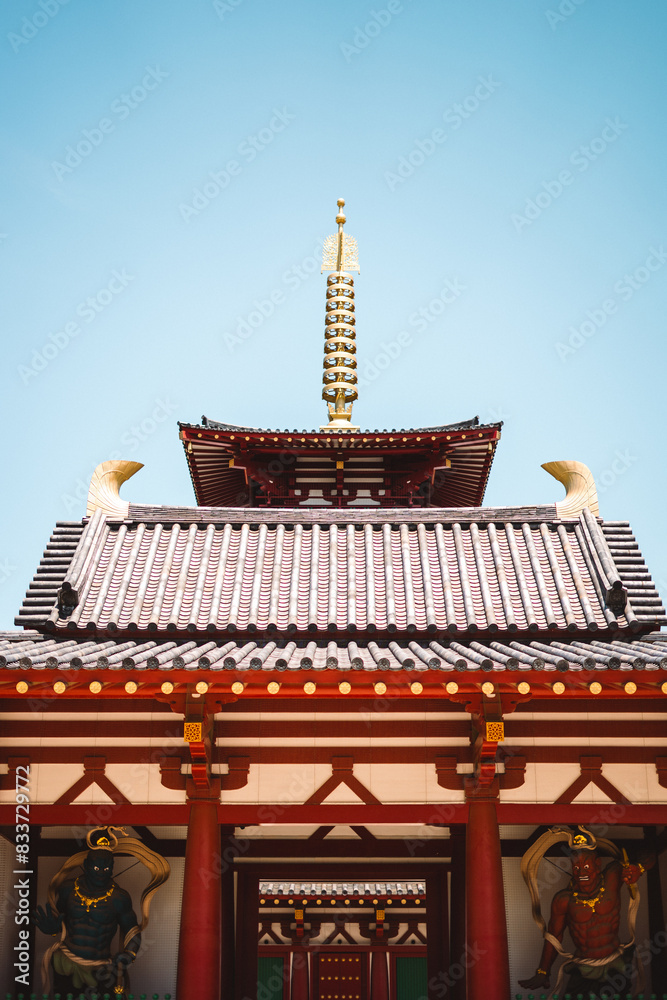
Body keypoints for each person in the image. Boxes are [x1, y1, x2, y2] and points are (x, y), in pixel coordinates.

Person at [519, 838, 647, 997]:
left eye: (586, 866)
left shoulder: (612, 877)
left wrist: (638, 868)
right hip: (584, 968)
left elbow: (649, 853)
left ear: (598, 864)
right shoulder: (563, 900)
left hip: (616, 964)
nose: (581, 872)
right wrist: (543, 972)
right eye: (576, 867)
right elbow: (554, 936)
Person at [35, 846, 141, 993]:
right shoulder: (68, 889)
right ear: (86, 865)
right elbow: (60, 920)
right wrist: (53, 929)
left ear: (112, 868)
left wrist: (130, 954)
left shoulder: (119, 897)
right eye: (97, 868)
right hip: (66, 961)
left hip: (101, 966)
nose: (101, 874)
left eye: (106, 869)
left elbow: (132, 929)